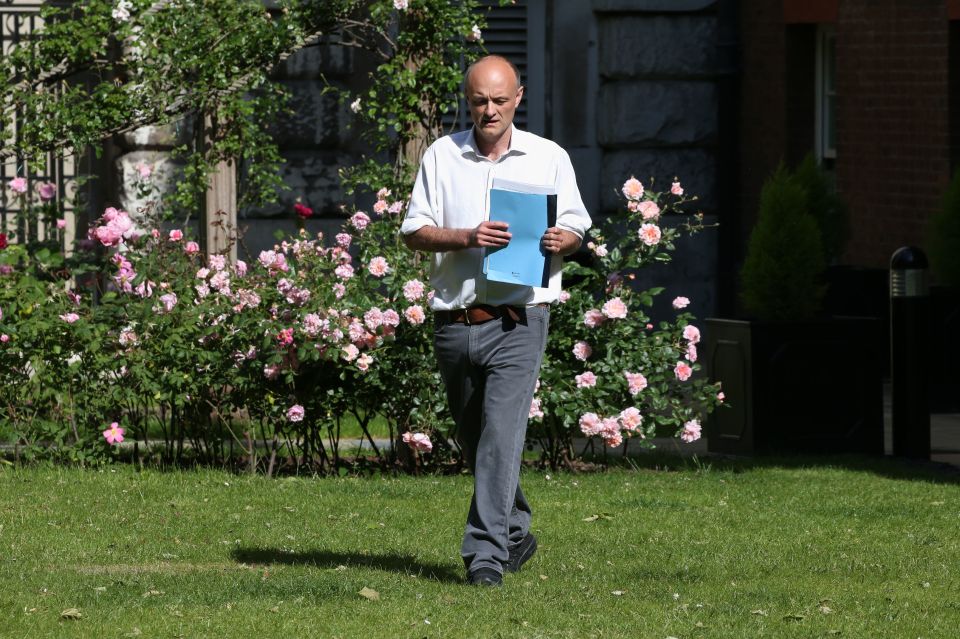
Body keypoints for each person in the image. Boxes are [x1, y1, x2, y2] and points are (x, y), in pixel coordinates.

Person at [400, 55, 591, 586]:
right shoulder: (442, 156)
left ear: (518, 97)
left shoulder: (548, 158)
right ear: (468, 99)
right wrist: (466, 236)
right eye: (480, 100)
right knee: (477, 440)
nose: (490, 110)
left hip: (520, 321)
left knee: (501, 438)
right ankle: (514, 531)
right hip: (454, 321)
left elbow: (577, 223)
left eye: (500, 100)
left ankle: (484, 556)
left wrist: (565, 241)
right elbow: (414, 230)